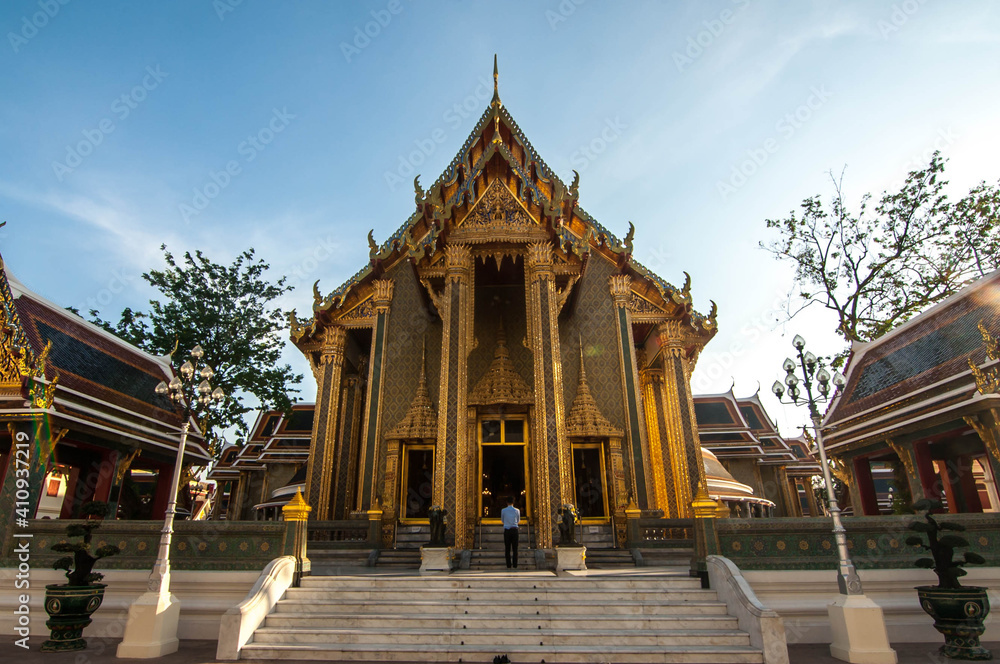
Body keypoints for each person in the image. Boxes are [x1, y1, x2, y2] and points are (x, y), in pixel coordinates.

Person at [500, 496, 520, 569]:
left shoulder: (503, 510)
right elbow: (518, 520)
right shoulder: (517, 510)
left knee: (507, 548)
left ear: (507, 502)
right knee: (515, 549)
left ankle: (508, 565)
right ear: (513, 502)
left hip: (507, 530)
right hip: (514, 530)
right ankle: (515, 565)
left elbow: (502, 520)